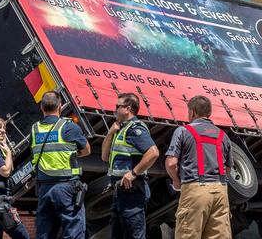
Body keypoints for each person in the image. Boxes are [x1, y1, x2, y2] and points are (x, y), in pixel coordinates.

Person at [165, 95, 233, 239]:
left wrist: (176, 181)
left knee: (188, 235)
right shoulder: (223, 136)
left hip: (195, 190)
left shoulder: (183, 131)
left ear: (192, 112)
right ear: (209, 113)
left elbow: (171, 163)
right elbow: (228, 168)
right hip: (221, 192)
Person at [32, 91, 91, 239]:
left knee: (44, 233)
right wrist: (72, 153)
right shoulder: (69, 127)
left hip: (44, 189)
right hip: (66, 188)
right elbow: (87, 150)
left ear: (42, 108)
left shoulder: (35, 129)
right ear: (60, 106)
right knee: (74, 231)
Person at [101, 93, 160, 239]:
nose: (114, 109)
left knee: (134, 235)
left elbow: (153, 153)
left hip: (132, 193)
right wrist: (109, 134)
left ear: (127, 108)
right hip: (120, 192)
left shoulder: (135, 129)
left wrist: (133, 173)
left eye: (117, 106)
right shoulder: (120, 129)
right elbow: (104, 157)